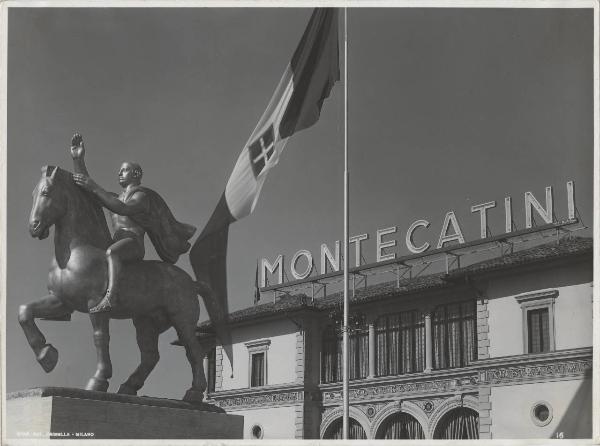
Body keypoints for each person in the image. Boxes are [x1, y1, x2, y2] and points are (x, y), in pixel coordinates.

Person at [70, 133, 196, 313]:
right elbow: (89, 191)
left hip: (133, 243)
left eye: (124, 170)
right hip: (117, 240)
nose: (119, 173)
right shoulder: (115, 197)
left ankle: (110, 297)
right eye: (119, 171)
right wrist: (78, 159)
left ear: (136, 174)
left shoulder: (141, 196)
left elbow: (123, 209)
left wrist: (95, 187)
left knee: (111, 252)